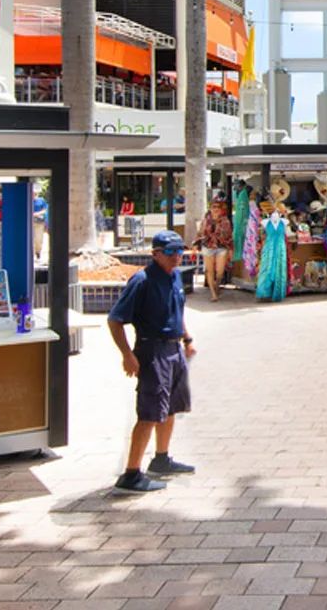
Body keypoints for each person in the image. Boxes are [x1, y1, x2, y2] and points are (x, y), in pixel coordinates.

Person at [105, 230, 196, 493]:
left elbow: (177, 310)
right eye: (169, 251)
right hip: (152, 350)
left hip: (174, 349)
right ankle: (131, 474)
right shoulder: (142, 280)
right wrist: (127, 354)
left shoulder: (176, 275)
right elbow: (115, 320)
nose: (176, 256)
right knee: (150, 412)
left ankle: (161, 458)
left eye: (179, 251)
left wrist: (187, 340)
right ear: (155, 253)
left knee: (170, 408)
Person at [196, 193, 233, 302]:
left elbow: (229, 236)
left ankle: (216, 285)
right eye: (214, 207)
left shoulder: (225, 221)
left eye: (218, 207)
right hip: (208, 246)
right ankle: (213, 293)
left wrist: (230, 248)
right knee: (210, 271)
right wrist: (196, 243)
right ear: (210, 208)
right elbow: (200, 234)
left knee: (220, 271)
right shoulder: (206, 220)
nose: (216, 209)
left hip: (221, 247)